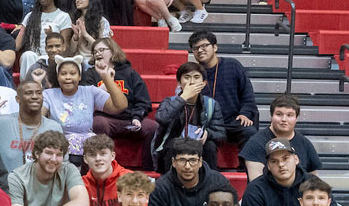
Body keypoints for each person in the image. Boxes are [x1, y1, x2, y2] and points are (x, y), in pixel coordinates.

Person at [82, 37, 156, 167]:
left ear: (113, 51)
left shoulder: (130, 73)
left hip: (129, 119)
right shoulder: (90, 74)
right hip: (105, 119)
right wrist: (106, 82)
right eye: (95, 51)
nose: (97, 53)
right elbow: (85, 100)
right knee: (98, 123)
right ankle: (103, 166)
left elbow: (143, 101)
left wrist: (137, 117)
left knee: (152, 127)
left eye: (101, 50)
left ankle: (148, 168)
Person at [42, 55, 127, 162]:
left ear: (80, 77)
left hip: (87, 142)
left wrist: (106, 77)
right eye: (63, 74)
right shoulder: (48, 94)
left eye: (73, 73)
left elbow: (120, 106)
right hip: (57, 144)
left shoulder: (90, 91)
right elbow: (37, 117)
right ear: (57, 77)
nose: (68, 77)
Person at [190, 30, 259, 155]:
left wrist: (245, 113)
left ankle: (247, 172)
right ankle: (209, 175)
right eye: (195, 48)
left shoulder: (232, 65)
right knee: (206, 144)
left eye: (204, 45)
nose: (200, 50)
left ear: (215, 47)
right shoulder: (194, 74)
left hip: (233, 121)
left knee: (250, 133)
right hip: (208, 125)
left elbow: (248, 96)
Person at [149, 138, 233, 206]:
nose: (187, 166)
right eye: (182, 160)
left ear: (200, 162)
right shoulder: (161, 187)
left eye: (193, 160)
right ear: (173, 162)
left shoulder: (218, 182)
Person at [153, 62, 225, 173]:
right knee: (172, 145)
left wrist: (208, 134)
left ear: (204, 83)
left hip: (198, 146)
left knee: (210, 146)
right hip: (174, 146)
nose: (191, 82)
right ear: (179, 82)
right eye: (187, 77)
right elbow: (162, 118)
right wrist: (183, 98)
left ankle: (210, 184)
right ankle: (170, 185)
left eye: (196, 77)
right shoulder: (170, 101)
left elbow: (221, 134)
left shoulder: (211, 104)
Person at [0, 79, 63, 172]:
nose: (35, 96)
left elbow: (63, 165)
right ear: (18, 99)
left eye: (39, 93)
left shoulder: (54, 127)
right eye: (29, 93)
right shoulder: (1, 123)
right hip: (6, 185)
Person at [15, 0, 72, 68]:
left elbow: (65, 47)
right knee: (27, 55)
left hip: (51, 57)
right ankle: (30, 82)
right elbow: (18, 44)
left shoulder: (63, 16)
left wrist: (52, 36)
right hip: (32, 57)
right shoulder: (30, 16)